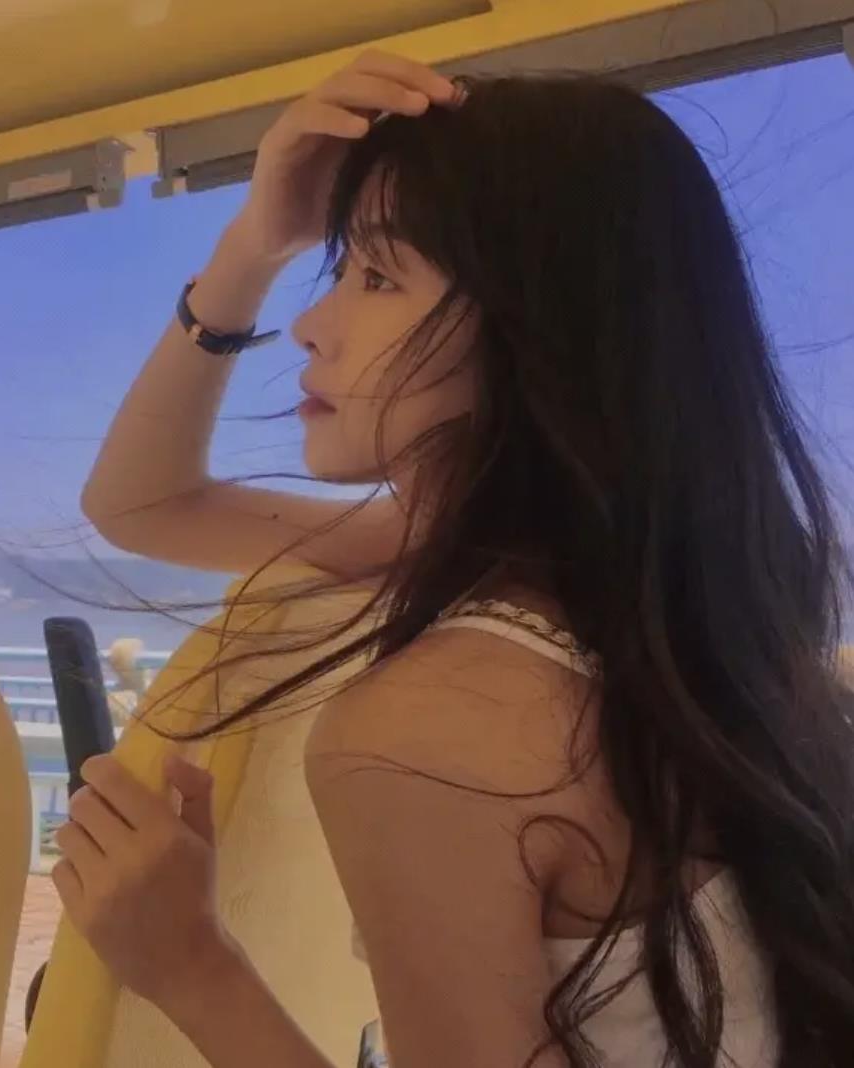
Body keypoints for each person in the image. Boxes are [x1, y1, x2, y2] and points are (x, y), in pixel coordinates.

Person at [78, 49, 854, 1067]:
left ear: (535, 330)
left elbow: (139, 505)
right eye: (337, 268)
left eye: (377, 274)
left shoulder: (426, 729)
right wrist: (256, 241)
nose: (310, 325)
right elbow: (141, 504)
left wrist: (187, 963)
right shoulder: (666, 593)